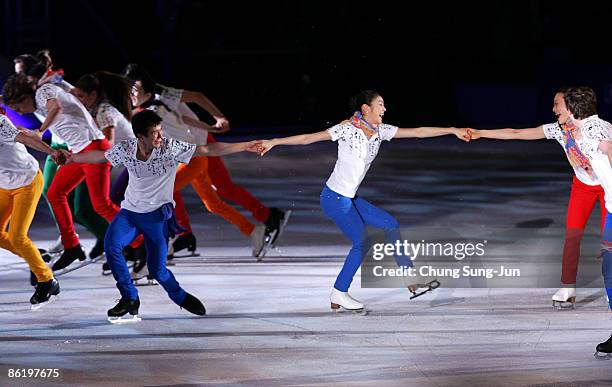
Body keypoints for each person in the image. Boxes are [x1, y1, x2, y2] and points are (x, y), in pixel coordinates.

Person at [258, 90, 470, 311]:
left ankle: (409, 276)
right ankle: (339, 292)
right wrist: (274, 141)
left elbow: (418, 132)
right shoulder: (346, 129)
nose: (384, 109)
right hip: (334, 198)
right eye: (380, 104)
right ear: (366, 109)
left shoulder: (381, 131)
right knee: (362, 243)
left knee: (390, 224)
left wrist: (451, 130)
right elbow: (309, 138)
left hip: (349, 198)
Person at [64, 110, 261, 322]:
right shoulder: (127, 148)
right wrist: (73, 157)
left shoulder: (170, 148)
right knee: (112, 247)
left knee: (158, 271)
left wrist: (244, 145)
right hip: (129, 213)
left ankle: (180, 296)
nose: (160, 137)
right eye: (155, 133)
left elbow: (208, 150)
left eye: (160, 131)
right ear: (140, 137)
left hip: (156, 218)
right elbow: (101, 156)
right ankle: (130, 298)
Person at [123, 64, 290, 257]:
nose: (130, 94)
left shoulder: (161, 98)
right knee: (210, 202)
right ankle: (252, 231)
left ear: (145, 88)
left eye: (133, 90)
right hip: (192, 149)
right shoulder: (147, 107)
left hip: (198, 148)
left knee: (168, 190)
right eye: (127, 90)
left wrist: (216, 121)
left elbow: (195, 99)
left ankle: (170, 238)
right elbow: (179, 120)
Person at [468, 89, 606, 308]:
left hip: (608, 187)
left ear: (570, 107)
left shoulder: (599, 128)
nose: (553, 109)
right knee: (572, 236)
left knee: (609, 242)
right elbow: (516, 133)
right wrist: (480, 133)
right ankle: (568, 287)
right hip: (582, 187)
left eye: (556, 104)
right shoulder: (559, 129)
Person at [2, 73, 120, 271]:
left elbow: (56, 107)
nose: (20, 113)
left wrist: (40, 131)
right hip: (78, 151)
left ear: (24, 98)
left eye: (18, 108)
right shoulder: (40, 96)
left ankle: (138, 240)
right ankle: (71, 245)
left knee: (100, 205)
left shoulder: (43, 92)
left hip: (94, 146)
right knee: (55, 193)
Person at [0, 112, 63, 308]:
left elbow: (24, 137)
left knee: (17, 237)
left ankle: (47, 281)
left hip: (27, 181)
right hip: (4, 184)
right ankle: (36, 256)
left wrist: (51, 152)